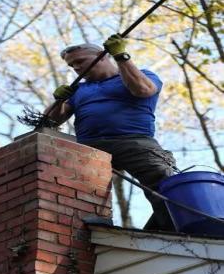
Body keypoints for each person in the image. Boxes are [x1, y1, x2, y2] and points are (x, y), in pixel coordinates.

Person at [44, 34, 177, 231]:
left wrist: (122, 56)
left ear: (103, 56)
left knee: (165, 186)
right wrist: (58, 101)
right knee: (81, 189)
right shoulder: (79, 89)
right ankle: (94, 229)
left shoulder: (141, 74)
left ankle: (172, 229)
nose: (77, 68)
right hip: (90, 148)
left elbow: (143, 90)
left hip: (134, 142)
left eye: (80, 61)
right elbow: (50, 121)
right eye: (72, 66)